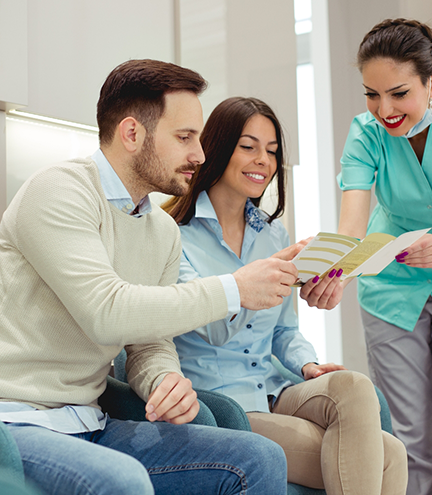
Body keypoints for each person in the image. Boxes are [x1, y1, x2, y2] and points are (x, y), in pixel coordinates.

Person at [0, 59, 298, 495]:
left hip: (91, 421)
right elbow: (108, 312)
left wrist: (162, 379)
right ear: (132, 133)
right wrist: (234, 289)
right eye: (184, 138)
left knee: (259, 457)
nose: (199, 154)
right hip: (17, 421)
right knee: (122, 481)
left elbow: (149, 341)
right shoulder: (59, 192)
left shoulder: (160, 230)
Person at [164, 96, 408, 495]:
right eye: (249, 146)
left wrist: (307, 364)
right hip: (223, 404)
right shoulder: (173, 234)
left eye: (272, 151)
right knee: (389, 456)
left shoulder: (272, 234)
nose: (263, 159)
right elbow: (212, 330)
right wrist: (257, 278)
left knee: (355, 387)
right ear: (218, 147)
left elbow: (284, 331)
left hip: (275, 387)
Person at [312, 18, 432, 495]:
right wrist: (332, 272)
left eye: (398, 93)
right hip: (391, 289)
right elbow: (351, 227)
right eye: (372, 95)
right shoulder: (365, 133)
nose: (384, 110)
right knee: (407, 441)